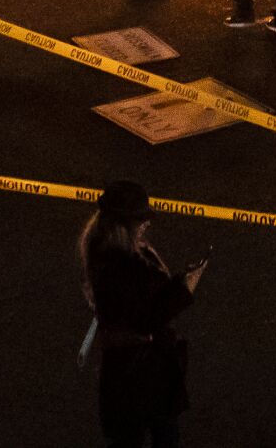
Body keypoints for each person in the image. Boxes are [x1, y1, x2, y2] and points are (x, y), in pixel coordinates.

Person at [79, 180, 206, 448]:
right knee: (155, 435)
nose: (146, 224)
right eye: (140, 220)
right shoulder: (120, 265)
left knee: (137, 435)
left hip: (131, 370)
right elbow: (147, 317)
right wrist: (185, 288)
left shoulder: (114, 252)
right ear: (123, 225)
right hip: (139, 371)